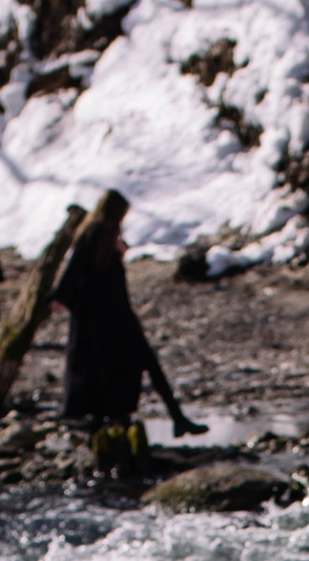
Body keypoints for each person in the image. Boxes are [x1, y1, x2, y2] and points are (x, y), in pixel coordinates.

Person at [52, 189, 202, 451]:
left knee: (109, 367)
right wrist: (59, 296)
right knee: (142, 362)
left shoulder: (98, 236)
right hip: (112, 316)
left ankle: (170, 417)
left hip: (105, 316)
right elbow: (77, 271)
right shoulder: (97, 235)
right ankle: (175, 417)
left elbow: (80, 272)